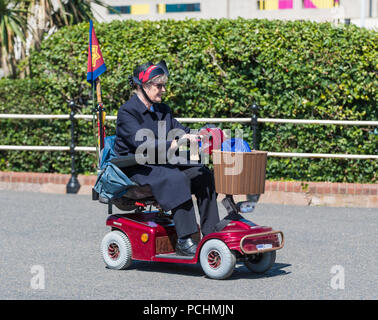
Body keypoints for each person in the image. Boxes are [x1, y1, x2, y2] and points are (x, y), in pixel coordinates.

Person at [114, 61, 220, 256]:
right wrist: (176, 142)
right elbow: (143, 145)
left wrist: (203, 135)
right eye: (158, 86)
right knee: (175, 178)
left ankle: (211, 234)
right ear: (141, 86)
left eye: (164, 85)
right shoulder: (127, 112)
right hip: (135, 167)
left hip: (161, 163)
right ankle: (184, 239)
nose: (163, 90)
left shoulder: (163, 110)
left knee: (202, 173)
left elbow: (183, 132)